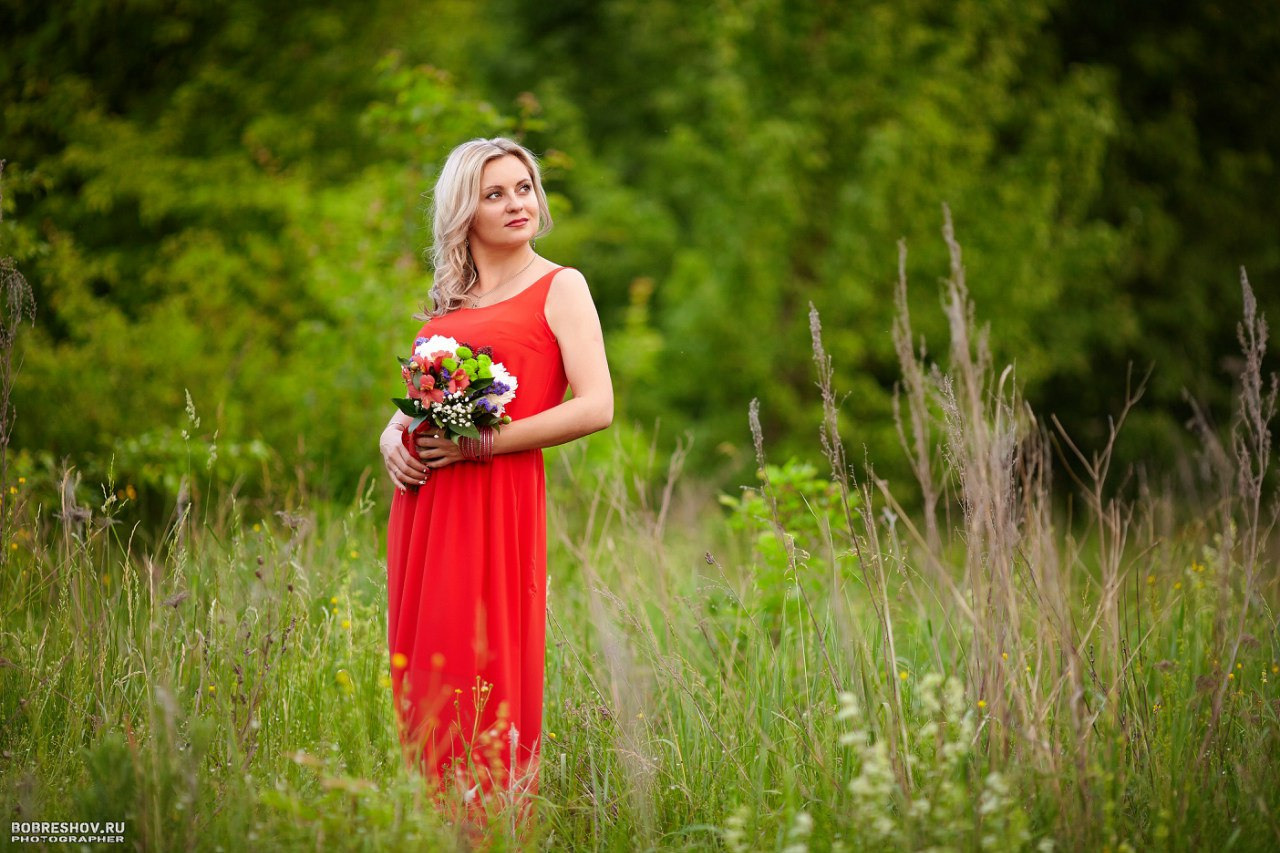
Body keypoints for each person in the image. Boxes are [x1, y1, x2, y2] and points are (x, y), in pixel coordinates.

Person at [379, 137, 613, 829]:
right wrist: (391, 440)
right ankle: (428, 831)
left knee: (481, 674)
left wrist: (488, 443)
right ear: (463, 214)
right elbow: (402, 414)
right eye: (495, 193)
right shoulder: (451, 308)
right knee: (424, 681)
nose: (517, 203)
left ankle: (488, 832)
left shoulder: (561, 284)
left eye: (523, 187)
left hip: (493, 508)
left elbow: (597, 404)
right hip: (423, 513)